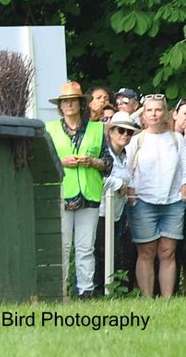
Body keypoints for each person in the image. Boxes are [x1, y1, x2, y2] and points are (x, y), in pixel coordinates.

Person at [44, 81, 112, 299]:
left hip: (89, 195)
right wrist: (62, 162)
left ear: (81, 104)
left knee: (85, 248)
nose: (69, 105)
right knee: (61, 248)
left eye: (73, 101)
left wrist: (92, 161)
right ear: (60, 106)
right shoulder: (50, 129)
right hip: (62, 194)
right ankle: (58, 292)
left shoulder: (97, 129)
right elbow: (43, 162)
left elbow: (108, 164)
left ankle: (86, 291)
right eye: (65, 102)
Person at [125, 94, 186, 297]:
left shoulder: (176, 139)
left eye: (158, 109)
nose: (154, 114)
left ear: (166, 112)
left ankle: (167, 299)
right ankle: (147, 298)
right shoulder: (136, 140)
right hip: (143, 201)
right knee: (147, 252)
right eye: (149, 110)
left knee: (168, 252)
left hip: (173, 202)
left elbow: (184, 166)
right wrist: (131, 193)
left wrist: (184, 187)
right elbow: (128, 170)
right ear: (143, 113)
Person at [93, 111, 139, 294]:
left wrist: (126, 187)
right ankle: (94, 292)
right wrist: (120, 184)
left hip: (117, 213)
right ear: (111, 131)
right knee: (100, 254)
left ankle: (109, 291)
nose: (125, 135)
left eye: (129, 132)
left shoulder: (124, 155)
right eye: (121, 130)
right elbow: (97, 178)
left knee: (113, 253)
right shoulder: (103, 152)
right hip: (100, 211)